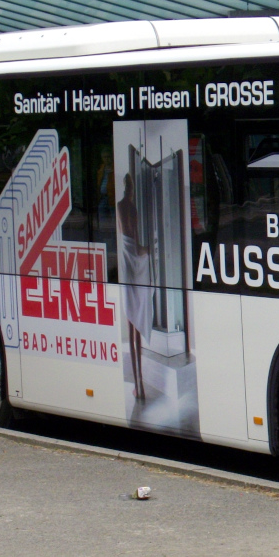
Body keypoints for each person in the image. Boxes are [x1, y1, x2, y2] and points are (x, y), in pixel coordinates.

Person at [117, 171, 153, 402]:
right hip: (134, 258)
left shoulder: (120, 206)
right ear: (133, 188)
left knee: (131, 323)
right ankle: (139, 384)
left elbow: (123, 236)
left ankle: (137, 384)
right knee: (136, 324)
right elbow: (136, 242)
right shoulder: (132, 208)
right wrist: (148, 250)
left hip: (124, 259)